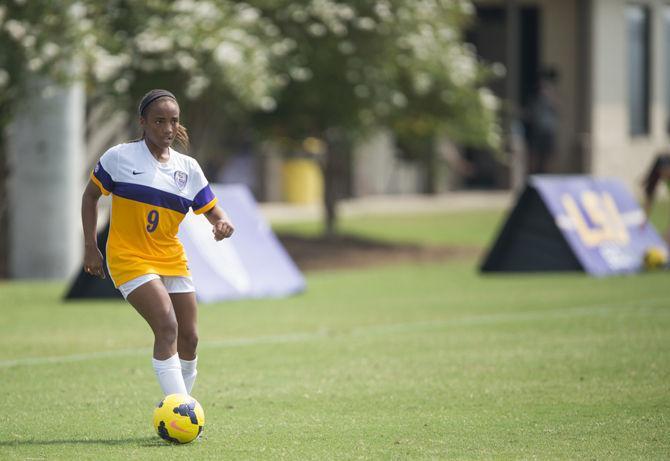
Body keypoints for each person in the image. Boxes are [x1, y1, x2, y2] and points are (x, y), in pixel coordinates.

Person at [81, 89, 235, 397]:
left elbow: (213, 210)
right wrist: (90, 246)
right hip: (129, 256)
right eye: (159, 121)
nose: (167, 129)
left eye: (173, 121)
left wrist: (222, 222)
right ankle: (181, 409)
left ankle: (179, 415)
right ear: (143, 122)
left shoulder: (188, 168)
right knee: (167, 326)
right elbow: (90, 196)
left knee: (189, 338)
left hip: (170, 257)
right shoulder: (119, 157)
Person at [525, 68, 560, 175]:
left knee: (548, 155)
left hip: (549, 129)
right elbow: (530, 113)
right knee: (535, 154)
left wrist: (550, 95)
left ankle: (547, 175)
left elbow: (558, 109)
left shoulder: (552, 94)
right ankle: (533, 174)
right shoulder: (534, 97)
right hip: (538, 129)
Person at [642, 153, 670, 240]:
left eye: (667, 171)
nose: (665, 175)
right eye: (662, 172)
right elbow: (649, 197)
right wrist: (644, 219)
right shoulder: (660, 175)